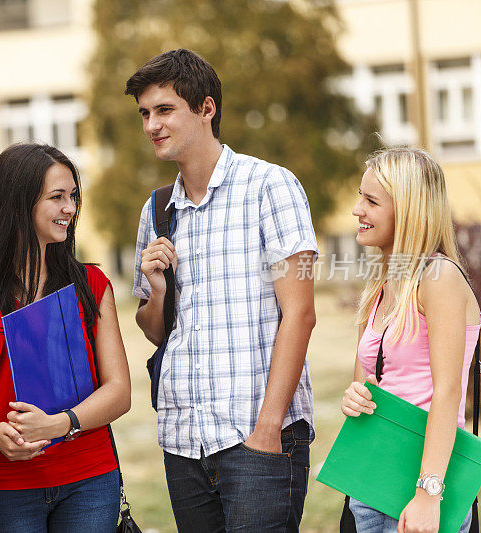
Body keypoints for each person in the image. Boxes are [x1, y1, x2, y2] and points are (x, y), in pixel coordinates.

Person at [129, 49, 318, 532]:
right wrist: (155, 290)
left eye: (165, 110)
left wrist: (269, 428)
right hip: (183, 442)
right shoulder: (156, 212)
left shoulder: (271, 187)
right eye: (145, 114)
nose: (152, 124)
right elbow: (156, 332)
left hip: (257, 439)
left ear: (206, 108)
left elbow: (300, 315)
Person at [0, 143, 131, 532]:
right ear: (18, 203)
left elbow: (119, 391)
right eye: (57, 197)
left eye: (73, 196)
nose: (70, 208)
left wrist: (61, 424)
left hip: (89, 479)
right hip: (3, 485)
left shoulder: (91, 284)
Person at [341, 148, 479, 533]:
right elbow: (368, 385)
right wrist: (354, 396)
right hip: (369, 482)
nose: (357, 209)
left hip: (418, 490)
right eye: (359, 196)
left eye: (371, 201)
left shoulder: (440, 278)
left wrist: (428, 495)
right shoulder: (382, 285)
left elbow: (448, 391)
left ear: (408, 211)